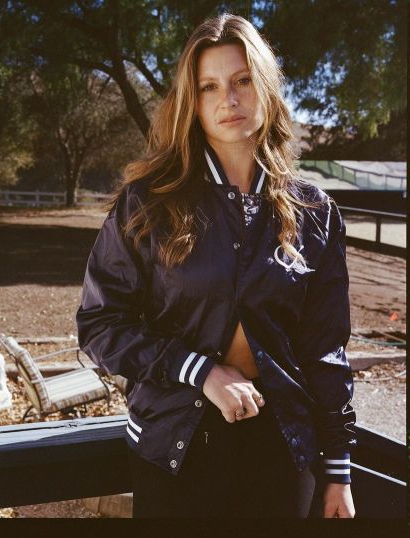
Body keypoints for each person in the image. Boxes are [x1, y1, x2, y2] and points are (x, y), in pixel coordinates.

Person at [76, 13, 357, 518]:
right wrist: (200, 371)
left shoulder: (315, 212)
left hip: (281, 451)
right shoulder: (148, 203)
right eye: (210, 86)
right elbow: (100, 325)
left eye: (242, 80)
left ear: (266, 88)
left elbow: (325, 348)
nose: (228, 99)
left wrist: (338, 467)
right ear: (194, 102)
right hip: (175, 450)